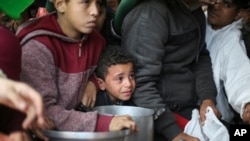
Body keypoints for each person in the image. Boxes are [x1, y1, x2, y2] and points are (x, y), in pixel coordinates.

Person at [16, 0, 137, 133]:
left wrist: (93, 82)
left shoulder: (97, 42)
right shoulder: (37, 47)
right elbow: (45, 112)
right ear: (60, 4)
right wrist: (102, 123)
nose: (95, 11)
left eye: (98, 3)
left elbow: (99, 70)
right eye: (85, 2)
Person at [120, 0, 221, 140]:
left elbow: (199, 57)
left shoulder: (195, 10)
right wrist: (174, 133)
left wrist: (208, 98)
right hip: (162, 115)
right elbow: (140, 85)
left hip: (189, 109)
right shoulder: (149, 15)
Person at [205, 0, 250, 124]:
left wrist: (246, 102)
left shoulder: (232, 39)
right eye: (216, 0)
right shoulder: (198, 20)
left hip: (214, 119)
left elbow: (238, 73)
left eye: (227, 5)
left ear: (238, 13)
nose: (216, 6)